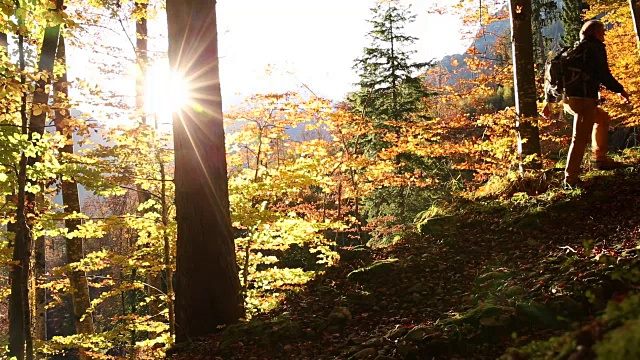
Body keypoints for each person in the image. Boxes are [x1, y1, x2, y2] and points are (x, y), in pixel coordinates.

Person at [542, 19, 630, 188]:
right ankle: (571, 179)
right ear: (595, 33)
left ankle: (600, 159)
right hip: (583, 100)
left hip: (569, 100)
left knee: (602, 118)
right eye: (602, 31)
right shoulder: (594, 48)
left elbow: (555, 78)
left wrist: (550, 101)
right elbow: (603, 73)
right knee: (579, 139)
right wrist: (619, 90)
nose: (604, 34)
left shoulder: (574, 50)